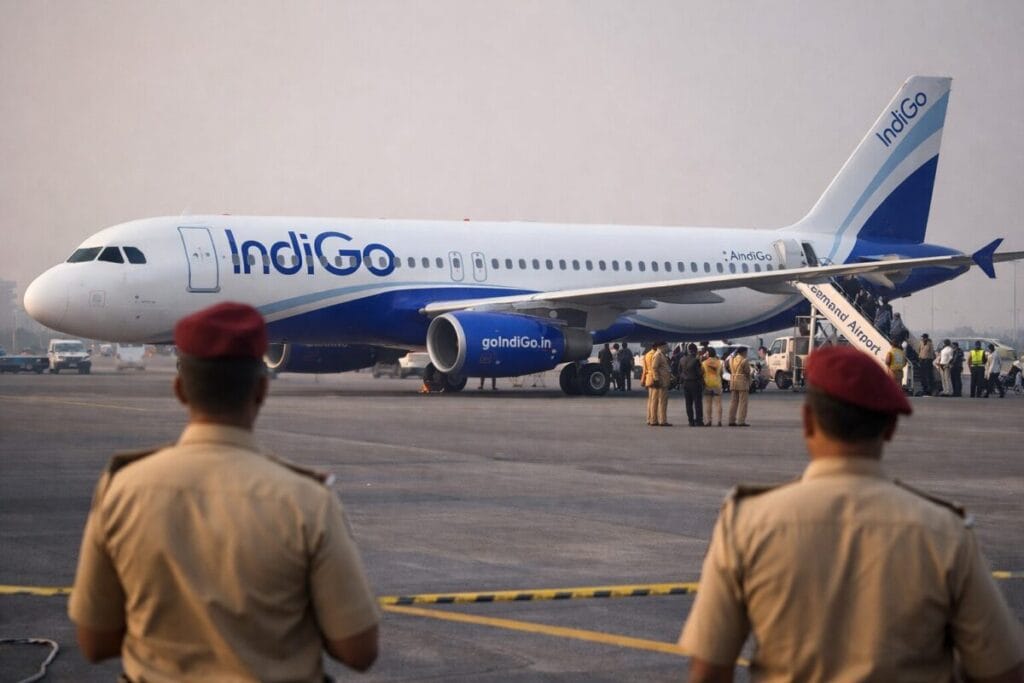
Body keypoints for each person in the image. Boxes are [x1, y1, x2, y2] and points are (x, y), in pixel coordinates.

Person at [68, 303, 380, 681]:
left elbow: (94, 642)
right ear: (261, 390)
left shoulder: (122, 489)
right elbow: (358, 650)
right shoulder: (306, 501)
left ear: (180, 389)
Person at [678, 345, 1024, 683]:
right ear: (889, 428)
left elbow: (708, 670)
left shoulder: (747, 524)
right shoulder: (945, 532)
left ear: (807, 421)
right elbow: (1002, 669)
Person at [643, 341, 672, 426]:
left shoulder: (660, 355)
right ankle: (662, 421)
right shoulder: (658, 355)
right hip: (661, 382)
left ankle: (653, 420)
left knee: (654, 401)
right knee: (662, 402)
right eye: (666, 346)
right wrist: (656, 379)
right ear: (662, 346)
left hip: (662, 381)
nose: (667, 348)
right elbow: (654, 367)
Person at [679, 343, 705, 427]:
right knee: (697, 403)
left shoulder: (682, 359)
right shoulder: (696, 360)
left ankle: (690, 421)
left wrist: (683, 377)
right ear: (696, 350)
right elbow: (699, 373)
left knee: (688, 403)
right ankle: (699, 421)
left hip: (686, 383)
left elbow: (679, 371)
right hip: (695, 382)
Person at [727, 346, 751, 427]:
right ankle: (741, 421)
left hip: (733, 381)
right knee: (743, 403)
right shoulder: (744, 360)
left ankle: (731, 420)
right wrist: (749, 381)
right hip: (742, 382)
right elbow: (747, 372)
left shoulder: (732, 359)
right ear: (743, 352)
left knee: (733, 402)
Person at [701, 348, 724, 427]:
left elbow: (702, 372)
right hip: (717, 384)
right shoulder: (720, 363)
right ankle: (719, 421)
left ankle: (709, 421)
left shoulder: (704, 363)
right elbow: (721, 373)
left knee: (708, 404)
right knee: (718, 403)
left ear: (708, 354)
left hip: (707, 384)